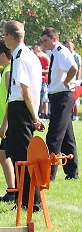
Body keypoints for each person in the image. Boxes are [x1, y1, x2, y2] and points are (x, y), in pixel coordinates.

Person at [0, 20, 45, 210]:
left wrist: (34, 117)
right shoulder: (28, 55)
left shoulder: (20, 57)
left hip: (22, 110)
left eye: (4, 36)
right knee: (22, 156)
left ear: (10, 36)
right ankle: (27, 200)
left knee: (23, 158)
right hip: (22, 108)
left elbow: (24, 91)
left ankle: (29, 202)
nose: (4, 40)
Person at [40, 27, 79, 180]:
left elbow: (73, 68)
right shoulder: (54, 52)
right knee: (67, 137)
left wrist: (66, 81)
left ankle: (49, 174)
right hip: (58, 97)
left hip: (63, 96)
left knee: (54, 136)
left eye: (46, 41)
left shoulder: (61, 51)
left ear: (54, 39)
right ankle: (72, 173)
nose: (43, 44)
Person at [0, 40, 17, 203]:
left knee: (6, 155)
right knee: (3, 155)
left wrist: (5, 125)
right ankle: (12, 191)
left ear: (2, 54)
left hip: (10, 122)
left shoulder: (8, 72)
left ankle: (13, 191)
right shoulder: (7, 70)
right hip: (8, 121)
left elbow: (11, 99)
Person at [32, 42, 50, 119]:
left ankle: (45, 114)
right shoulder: (35, 59)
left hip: (43, 81)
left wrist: (40, 70)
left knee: (44, 98)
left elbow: (48, 70)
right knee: (38, 98)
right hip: (37, 80)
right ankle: (40, 113)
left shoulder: (45, 58)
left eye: (36, 51)